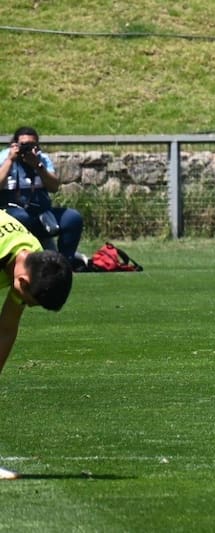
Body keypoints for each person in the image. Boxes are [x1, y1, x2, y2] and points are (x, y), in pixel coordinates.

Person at [0, 209, 73, 479]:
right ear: (22, 282)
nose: (25, 304)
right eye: (31, 301)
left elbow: (6, 329)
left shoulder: (33, 255)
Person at [0, 127, 86, 271]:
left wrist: (38, 166)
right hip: (11, 213)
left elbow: (54, 187)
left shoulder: (42, 159)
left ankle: (65, 265)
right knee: (22, 217)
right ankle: (23, 264)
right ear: (14, 144)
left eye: (32, 145)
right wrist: (10, 161)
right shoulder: (3, 157)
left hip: (40, 212)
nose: (27, 149)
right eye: (23, 145)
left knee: (72, 218)